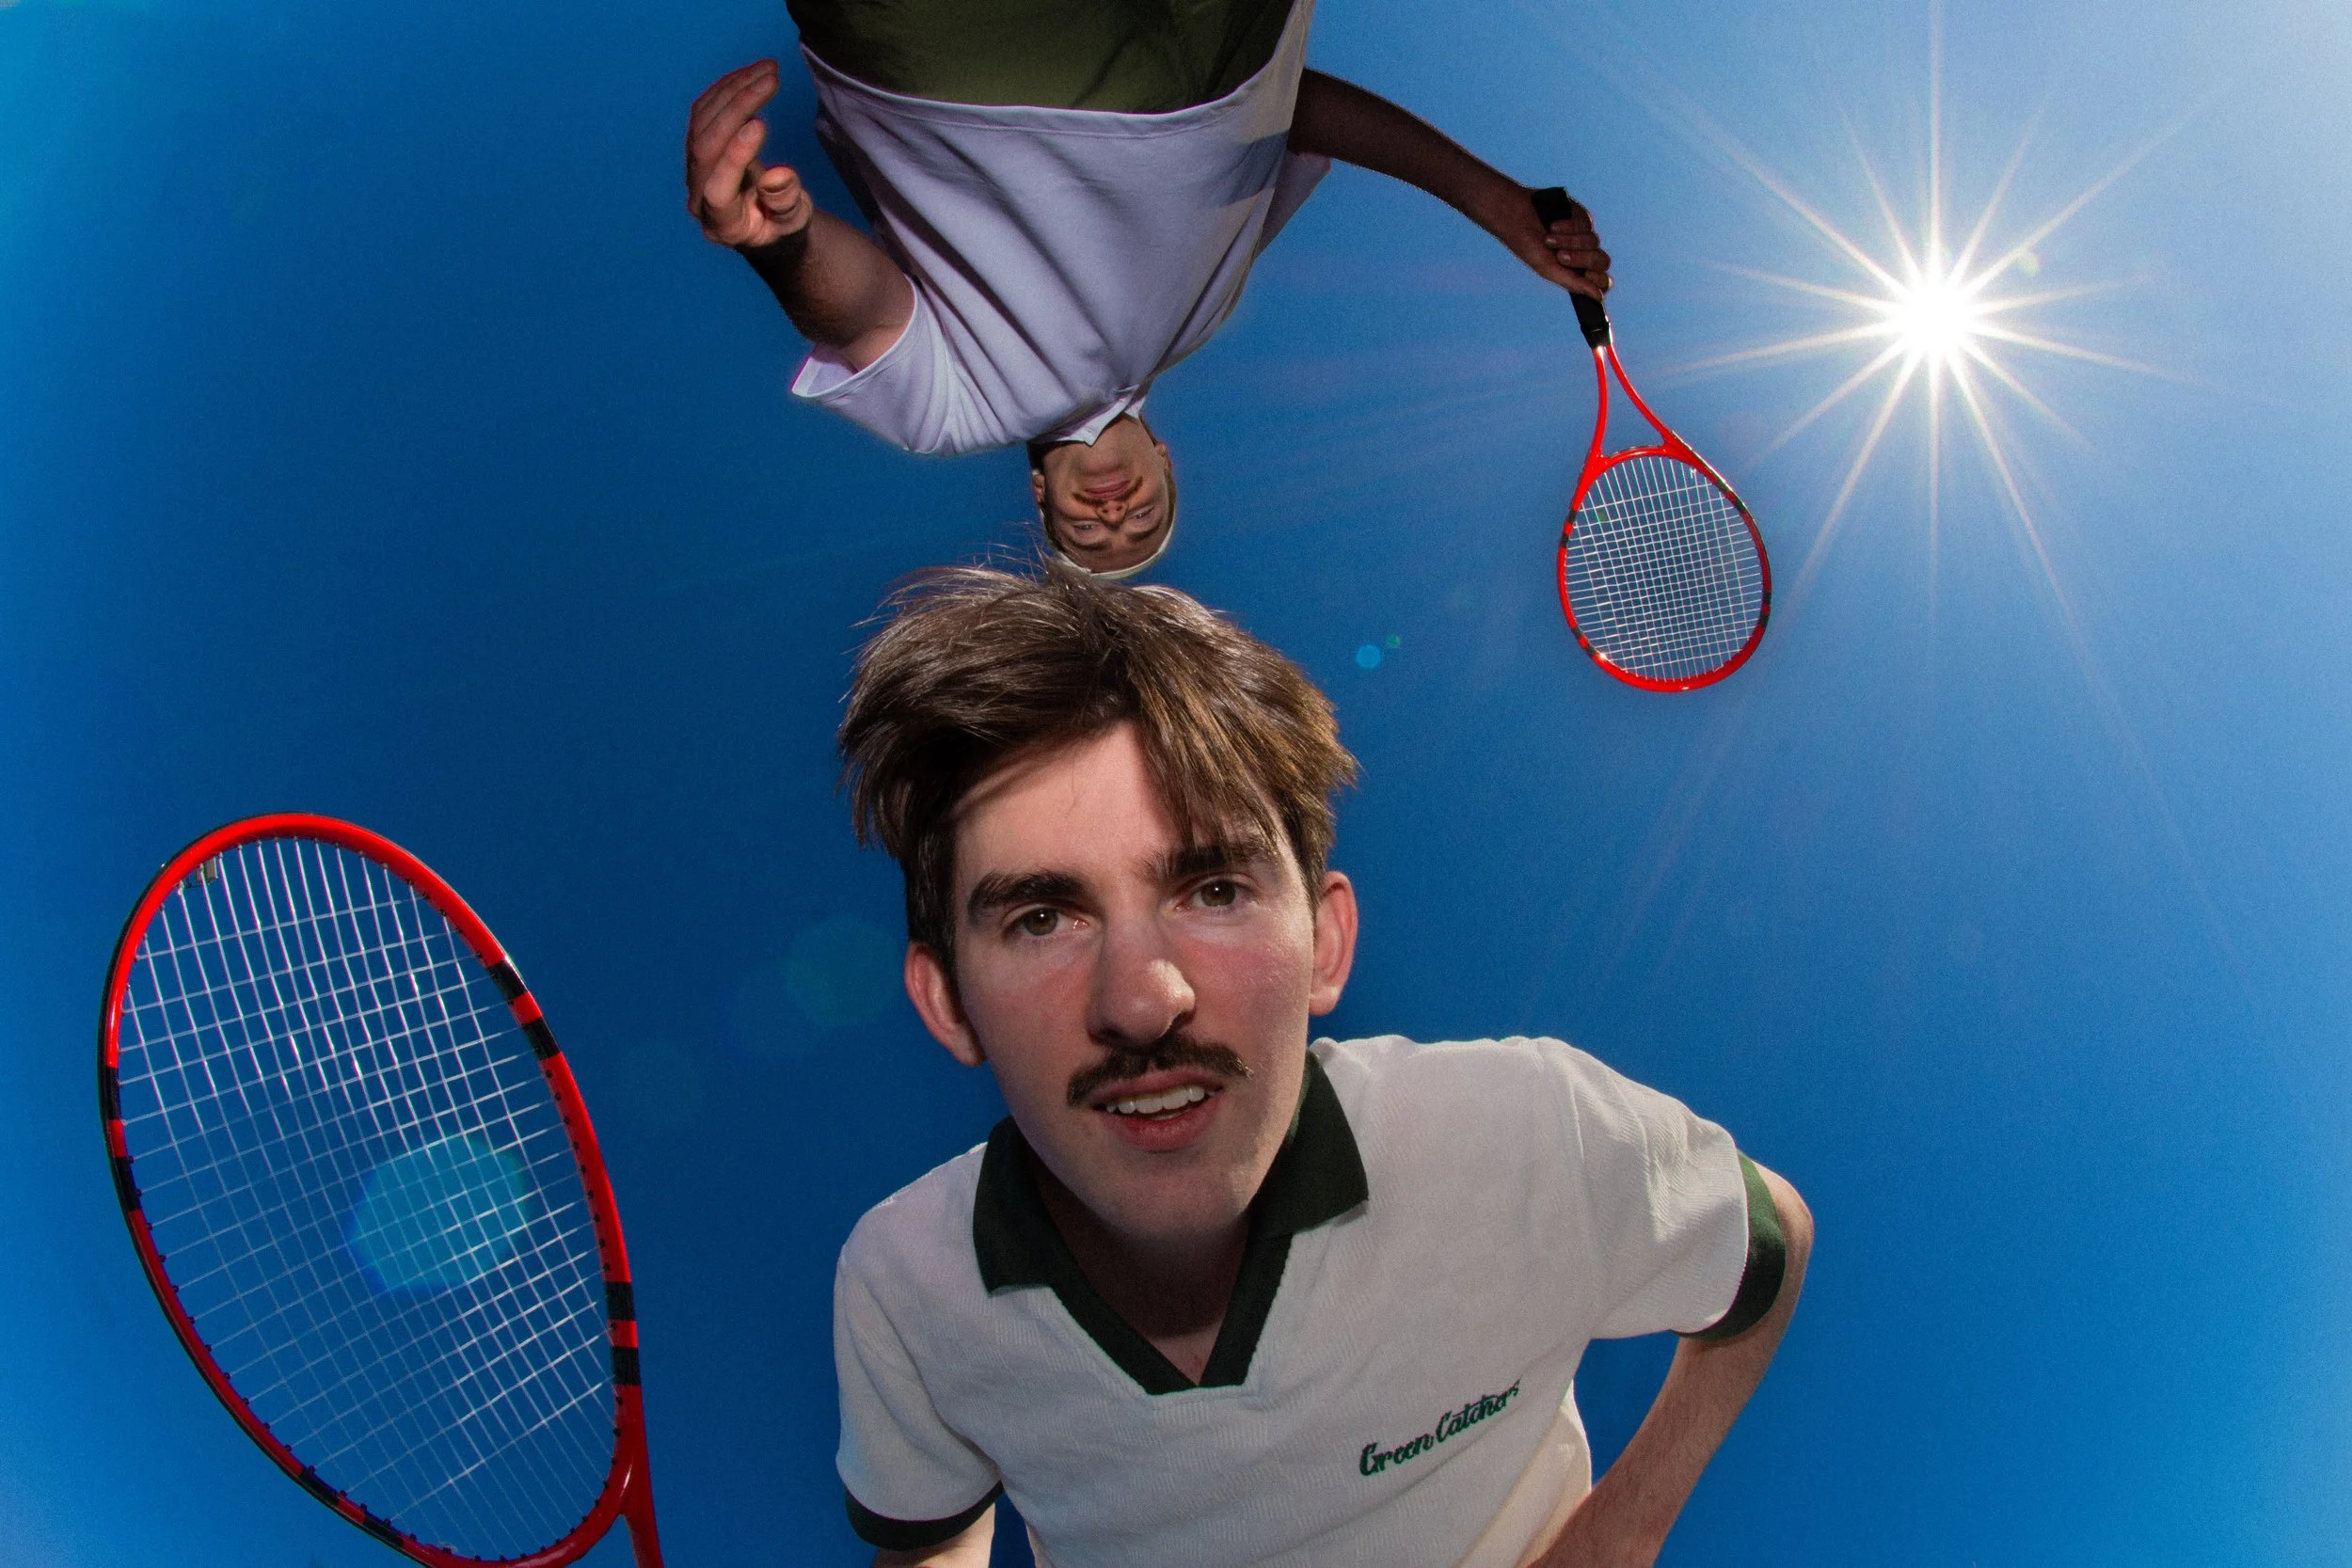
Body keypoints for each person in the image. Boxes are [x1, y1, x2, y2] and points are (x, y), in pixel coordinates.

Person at [827, 562, 1813, 1568]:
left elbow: (1772, 1238)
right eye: (1041, 917)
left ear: (1325, 942)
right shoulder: (904, 1286)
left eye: (1212, 888)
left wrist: (1623, 1529)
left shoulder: (1528, 1129)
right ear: (949, 1000)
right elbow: (930, 1541)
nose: (1141, 997)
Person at [685, 0, 1613, 576]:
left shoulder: (960, 414)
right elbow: (1295, 116)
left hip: (977, 72)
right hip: (1233, 55)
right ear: (1165, 462)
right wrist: (1497, 201)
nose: (1117, 521)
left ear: (1041, 498)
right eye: (1145, 527)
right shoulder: (1209, 303)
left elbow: (863, 311)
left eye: (1091, 541)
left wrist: (784, 246)